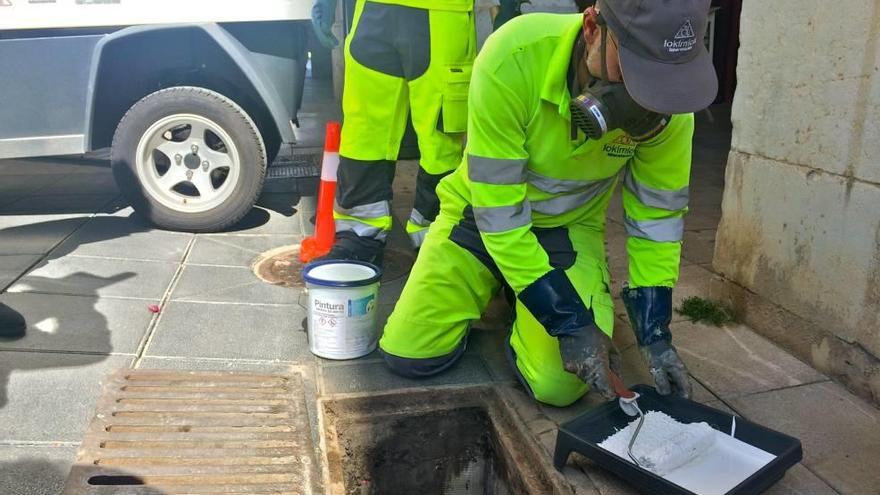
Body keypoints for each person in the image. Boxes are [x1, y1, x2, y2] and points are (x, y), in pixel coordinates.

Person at [378, 0, 718, 407]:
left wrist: (655, 332)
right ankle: (511, 287)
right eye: (635, 68)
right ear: (592, 28)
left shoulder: (671, 105)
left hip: (567, 230)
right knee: (408, 354)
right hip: (480, 218)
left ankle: (524, 297)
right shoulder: (514, 57)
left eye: (665, 75)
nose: (650, 99)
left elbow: (657, 220)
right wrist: (569, 321)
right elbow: (500, 216)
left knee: (560, 386)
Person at [311, 0, 476, 265]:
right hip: (372, 9)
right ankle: (359, 234)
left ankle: (439, 236)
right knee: (363, 132)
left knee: (440, 137)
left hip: (442, 11)